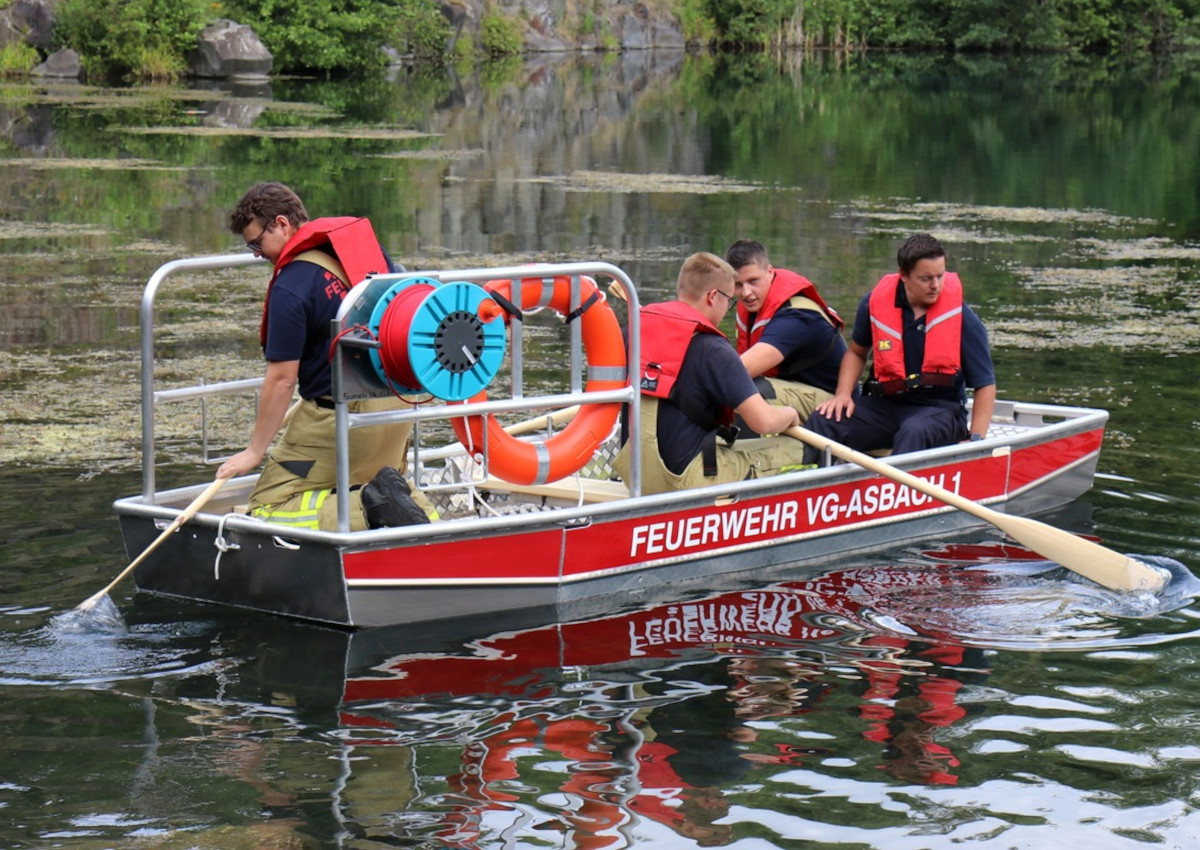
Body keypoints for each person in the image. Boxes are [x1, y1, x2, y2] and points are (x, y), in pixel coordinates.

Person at [217, 182, 430, 530]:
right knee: (379, 480)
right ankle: (423, 515)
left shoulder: (292, 285)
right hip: (398, 405)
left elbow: (283, 379)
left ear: (283, 224)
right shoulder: (367, 252)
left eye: (257, 243)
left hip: (342, 418)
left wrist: (254, 452)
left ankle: (367, 506)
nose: (257, 253)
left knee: (267, 511)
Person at [614, 252, 805, 495]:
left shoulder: (632, 329)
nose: (728, 309)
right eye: (729, 301)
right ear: (714, 296)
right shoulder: (714, 348)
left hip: (634, 476)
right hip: (684, 482)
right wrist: (790, 414)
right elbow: (764, 421)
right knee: (790, 447)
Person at [802, 233, 996, 462]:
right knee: (824, 420)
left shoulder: (962, 318)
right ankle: (810, 491)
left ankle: (895, 493)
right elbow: (856, 353)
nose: (935, 285)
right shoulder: (873, 303)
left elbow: (985, 384)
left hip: (939, 410)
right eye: (926, 278)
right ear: (904, 275)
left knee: (914, 430)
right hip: (886, 406)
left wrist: (976, 439)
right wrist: (843, 394)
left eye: (940, 276)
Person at [725, 239, 848, 426]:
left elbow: (740, 370)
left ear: (770, 272)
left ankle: (750, 451)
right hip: (798, 389)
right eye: (738, 285)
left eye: (753, 281)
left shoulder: (796, 317)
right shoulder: (753, 307)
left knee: (749, 390)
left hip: (834, 404)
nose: (746, 293)